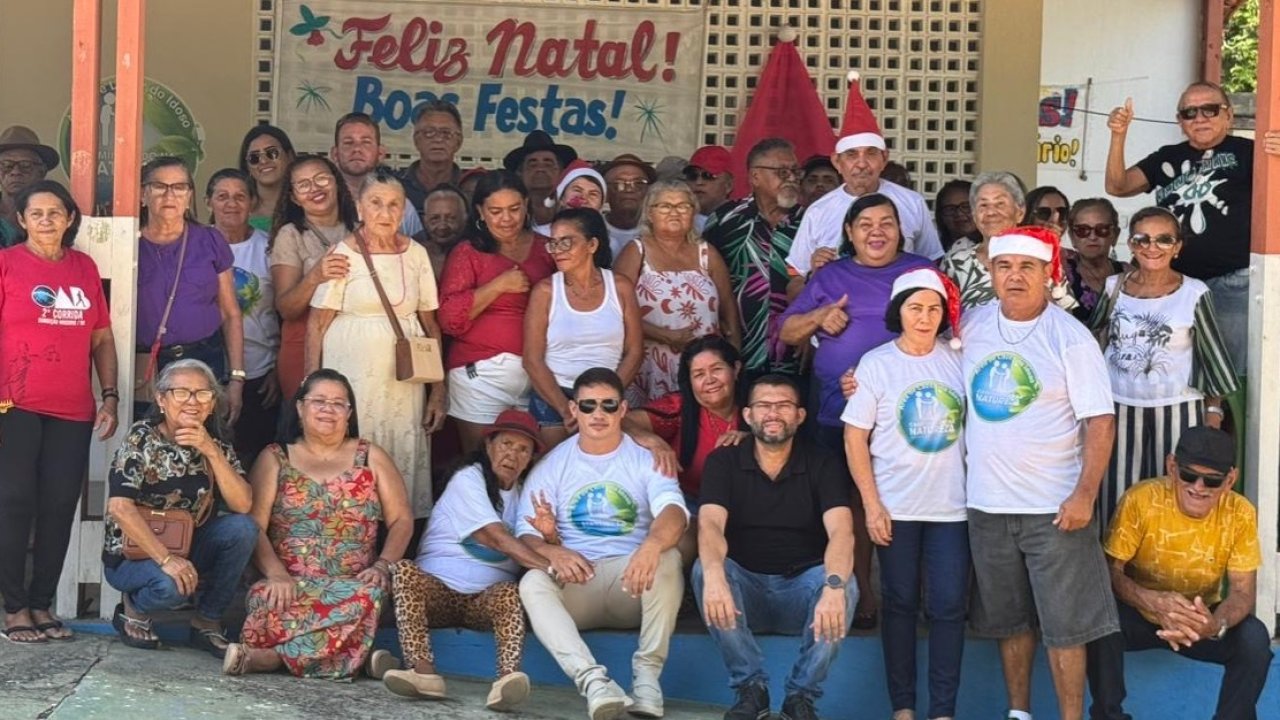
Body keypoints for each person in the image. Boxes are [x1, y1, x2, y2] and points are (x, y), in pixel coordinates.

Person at [962, 226, 1118, 720]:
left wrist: (1084, 495)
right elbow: (923, 361)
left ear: (1048, 274)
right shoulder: (971, 325)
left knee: (1066, 626)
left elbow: (1100, 421)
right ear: (990, 273)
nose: (1014, 276)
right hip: (987, 505)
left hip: (1053, 508)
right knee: (1009, 622)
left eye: (1027, 267)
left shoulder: (1069, 337)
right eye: (1005, 266)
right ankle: (1018, 713)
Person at [780, 193, 934, 628]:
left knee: (908, 503)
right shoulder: (831, 275)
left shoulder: (920, 273)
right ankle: (862, 594)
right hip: (837, 412)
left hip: (908, 416)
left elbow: (944, 333)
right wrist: (820, 316)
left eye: (886, 223)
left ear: (901, 230)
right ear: (849, 233)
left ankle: (912, 600)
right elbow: (789, 329)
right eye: (865, 224)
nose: (877, 232)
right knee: (849, 504)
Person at [516, 368, 689, 720]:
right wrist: (553, 550)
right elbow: (525, 533)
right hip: (580, 584)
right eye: (589, 405)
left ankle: (646, 680)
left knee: (668, 556)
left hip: (633, 582)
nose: (598, 414)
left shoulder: (645, 459)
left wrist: (652, 546)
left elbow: (674, 512)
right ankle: (594, 683)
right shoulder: (553, 465)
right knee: (532, 582)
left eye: (608, 405)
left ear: (623, 410)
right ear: (574, 410)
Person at [226, 369, 412, 679]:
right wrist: (276, 574)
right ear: (299, 408)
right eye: (319, 401)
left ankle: (271, 659)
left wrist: (382, 565)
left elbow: (402, 519)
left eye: (339, 403)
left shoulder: (371, 456)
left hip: (353, 585)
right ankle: (354, 658)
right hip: (289, 583)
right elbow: (252, 526)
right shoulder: (275, 458)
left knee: (367, 597)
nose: (329, 409)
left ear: (349, 413)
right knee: (265, 600)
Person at [842, 268, 968, 720]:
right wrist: (872, 504)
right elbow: (855, 437)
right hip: (895, 506)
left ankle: (943, 711)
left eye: (934, 308)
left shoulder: (958, 359)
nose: (925, 317)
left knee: (950, 607)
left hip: (952, 507)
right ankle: (903, 708)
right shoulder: (877, 363)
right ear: (899, 312)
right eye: (915, 308)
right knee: (899, 604)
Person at [694, 374, 856, 720]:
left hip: (800, 593)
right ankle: (751, 689)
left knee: (844, 582)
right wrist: (714, 575)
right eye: (764, 406)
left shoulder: (822, 463)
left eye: (783, 406)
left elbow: (842, 532)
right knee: (704, 570)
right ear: (748, 415)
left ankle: (801, 697)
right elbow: (709, 524)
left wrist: (833, 587)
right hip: (744, 594)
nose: (773, 413)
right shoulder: (724, 462)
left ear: (800, 416)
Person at [0, 180, 118, 644]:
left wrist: (109, 395)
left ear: (70, 218)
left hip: (72, 408)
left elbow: (102, 338)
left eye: (56, 212)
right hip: (14, 403)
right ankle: (13, 606)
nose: (47, 220)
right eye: (37, 213)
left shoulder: (84, 268)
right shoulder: (7, 264)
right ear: (22, 220)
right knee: (13, 502)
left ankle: (41, 603)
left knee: (58, 506)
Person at [1086, 426, 1272, 720]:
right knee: (1099, 621)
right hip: (1142, 613)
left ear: (1230, 480)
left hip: (1200, 620)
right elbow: (1110, 571)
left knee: (1254, 638)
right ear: (1172, 467)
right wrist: (1151, 601)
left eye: (1212, 480)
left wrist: (1213, 624)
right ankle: (1108, 716)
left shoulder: (1241, 513)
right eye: (1188, 475)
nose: (1198, 487)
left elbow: (1242, 592)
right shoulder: (1141, 499)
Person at [383, 409, 550, 711]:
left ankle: (506, 681)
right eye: (506, 444)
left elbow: (535, 543)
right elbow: (494, 537)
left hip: (483, 602)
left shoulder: (527, 495)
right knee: (404, 571)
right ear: (488, 446)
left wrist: (550, 537)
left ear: (530, 460)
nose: (513, 454)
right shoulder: (468, 478)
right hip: (438, 593)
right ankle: (423, 674)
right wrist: (550, 568)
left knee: (510, 593)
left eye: (523, 449)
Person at [306, 172, 446, 521]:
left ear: (404, 210)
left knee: (399, 447)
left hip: (403, 382)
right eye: (376, 203)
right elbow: (317, 323)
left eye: (393, 204)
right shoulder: (343, 253)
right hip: (353, 378)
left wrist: (439, 391)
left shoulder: (416, 254)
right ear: (359, 207)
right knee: (355, 440)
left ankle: (396, 539)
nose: (385, 212)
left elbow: (431, 324)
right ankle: (350, 533)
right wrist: (310, 389)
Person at [1088, 207, 1237, 531]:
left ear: (1177, 246)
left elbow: (1213, 356)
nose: (1151, 247)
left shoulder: (1194, 292)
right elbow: (1090, 340)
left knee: (1172, 502)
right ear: (1130, 243)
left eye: (1163, 239)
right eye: (1142, 239)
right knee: (1116, 499)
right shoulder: (1114, 287)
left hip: (1179, 411)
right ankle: (1113, 578)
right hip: (1118, 409)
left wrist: (1212, 419)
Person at [102, 359, 258, 656]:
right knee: (169, 586)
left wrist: (210, 451)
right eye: (181, 392)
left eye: (202, 393)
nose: (193, 401)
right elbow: (120, 507)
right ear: (161, 399)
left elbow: (243, 503)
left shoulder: (216, 444)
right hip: (134, 555)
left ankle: (207, 620)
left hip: (187, 547)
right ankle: (134, 608)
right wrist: (166, 560)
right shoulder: (141, 438)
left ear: (213, 402)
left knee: (243, 529)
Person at [1105, 84, 1253, 371]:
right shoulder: (1167, 157)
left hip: (1232, 282)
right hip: (1176, 282)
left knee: (1230, 369)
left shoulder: (1249, 152)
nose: (1200, 118)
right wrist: (1118, 135)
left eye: (1210, 109)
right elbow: (1118, 186)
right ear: (1180, 121)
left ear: (1229, 116)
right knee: (1174, 364)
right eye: (1189, 112)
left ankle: (1225, 417)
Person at [439, 171, 556, 453]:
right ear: (480, 211)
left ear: (527, 205)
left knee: (532, 465)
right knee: (483, 462)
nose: (507, 218)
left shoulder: (546, 248)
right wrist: (499, 285)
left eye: (514, 209)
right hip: (479, 376)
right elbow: (448, 319)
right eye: (496, 211)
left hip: (539, 375)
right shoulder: (468, 252)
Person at [785, 76, 943, 284]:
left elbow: (933, 264)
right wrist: (813, 273)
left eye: (870, 153)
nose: (861, 164)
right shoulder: (818, 211)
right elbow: (794, 277)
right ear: (837, 161)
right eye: (851, 155)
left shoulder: (912, 202)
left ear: (884, 158)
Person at [137, 156, 246, 423]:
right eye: (159, 186)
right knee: (147, 445)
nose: (169, 194)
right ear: (143, 194)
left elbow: (231, 314)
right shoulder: (128, 242)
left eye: (179, 187)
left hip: (202, 359)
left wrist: (236, 378)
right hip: (146, 364)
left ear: (189, 196)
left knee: (201, 445)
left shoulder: (209, 240)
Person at [524, 208, 644, 449]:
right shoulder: (545, 292)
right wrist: (567, 410)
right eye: (553, 244)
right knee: (557, 474)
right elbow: (532, 360)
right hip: (555, 397)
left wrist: (606, 400)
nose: (558, 251)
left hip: (609, 393)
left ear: (592, 245)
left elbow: (635, 351)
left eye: (566, 242)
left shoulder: (620, 287)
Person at [614, 180, 741, 405]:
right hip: (649, 365)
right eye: (665, 206)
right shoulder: (636, 252)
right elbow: (616, 311)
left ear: (694, 212)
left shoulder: (707, 253)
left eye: (683, 206)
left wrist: (734, 358)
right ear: (650, 213)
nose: (675, 212)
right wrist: (666, 335)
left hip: (704, 368)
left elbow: (729, 309)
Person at [623, 336, 746, 565]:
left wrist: (753, 443)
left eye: (716, 369)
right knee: (682, 545)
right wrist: (654, 441)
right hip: (690, 508)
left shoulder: (757, 408)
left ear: (736, 369)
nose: (709, 380)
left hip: (746, 512)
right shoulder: (680, 409)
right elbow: (622, 420)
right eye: (699, 374)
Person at [704, 138, 805, 381]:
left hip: (795, 351)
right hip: (737, 347)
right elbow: (704, 277)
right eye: (782, 171)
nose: (791, 178)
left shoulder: (812, 220)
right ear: (755, 177)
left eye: (795, 171)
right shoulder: (725, 219)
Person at [206, 169, 281, 468]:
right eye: (222, 196)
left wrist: (278, 367)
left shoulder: (269, 248)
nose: (231, 204)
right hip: (209, 368)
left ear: (252, 202)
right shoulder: (196, 246)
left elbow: (285, 313)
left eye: (240, 196)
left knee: (253, 461)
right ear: (208, 201)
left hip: (260, 373)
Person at [268, 154, 359, 400]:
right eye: (304, 185)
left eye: (321, 179)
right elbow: (286, 308)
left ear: (337, 183)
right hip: (303, 347)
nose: (315, 189)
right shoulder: (291, 235)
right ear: (293, 197)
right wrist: (316, 275)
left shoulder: (360, 229)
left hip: (355, 345)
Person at [941, 171, 1076, 312]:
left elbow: (1067, 319)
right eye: (983, 205)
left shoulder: (1043, 258)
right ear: (974, 216)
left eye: (1000, 204)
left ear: (1020, 212)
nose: (991, 212)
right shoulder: (955, 263)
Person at [330, 112, 425, 238]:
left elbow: (416, 252)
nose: (357, 149)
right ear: (335, 154)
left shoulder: (401, 205)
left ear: (380, 153)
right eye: (348, 142)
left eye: (366, 142)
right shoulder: (322, 203)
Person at [1063, 198, 1125, 322]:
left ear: (1115, 235)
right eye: (1082, 230)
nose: (1092, 237)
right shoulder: (1061, 274)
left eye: (1102, 229)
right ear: (1072, 237)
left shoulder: (1128, 274)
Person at [400, 100, 465, 214]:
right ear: (416, 140)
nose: (438, 139)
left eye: (446, 133)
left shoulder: (468, 187)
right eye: (429, 132)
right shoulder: (396, 186)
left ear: (458, 142)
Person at [503, 130, 577, 228]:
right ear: (520, 173)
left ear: (561, 172)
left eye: (548, 164)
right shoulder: (507, 217)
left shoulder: (574, 214)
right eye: (533, 165)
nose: (540, 169)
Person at [0, 126, 57, 247]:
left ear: (41, 172)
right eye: (6, 165)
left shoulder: (55, 215)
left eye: (25, 165)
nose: (15, 172)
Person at [237, 124, 295, 232]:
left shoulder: (307, 205)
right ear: (247, 166)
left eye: (272, 153)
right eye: (254, 157)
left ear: (290, 156)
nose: (263, 161)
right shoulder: (237, 209)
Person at [532, 159, 608, 237]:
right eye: (577, 190)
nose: (584, 198)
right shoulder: (536, 236)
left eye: (593, 194)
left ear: (601, 205)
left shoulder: (610, 242)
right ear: (561, 198)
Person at [602, 154, 658, 257]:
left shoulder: (660, 231)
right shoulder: (593, 229)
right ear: (606, 192)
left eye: (638, 184)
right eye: (619, 183)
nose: (629, 189)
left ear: (648, 191)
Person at [418, 184, 468, 282]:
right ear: (425, 220)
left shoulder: (478, 255)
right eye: (435, 219)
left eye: (451, 218)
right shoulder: (413, 253)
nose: (442, 226)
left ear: (464, 219)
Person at [683, 145, 735, 232]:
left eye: (708, 176)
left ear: (728, 186)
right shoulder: (676, 223)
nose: (698, 182)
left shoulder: (743, 225)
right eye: (692, 176)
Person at [934, 179, 976, 253]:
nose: (959, 213)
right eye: (950, 209)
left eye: (966, 206)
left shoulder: (998, 247)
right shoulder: (934, 249)